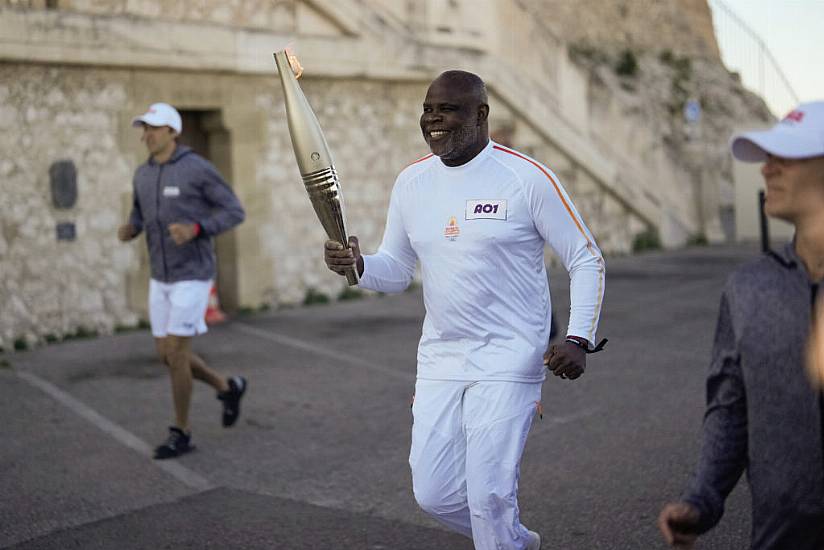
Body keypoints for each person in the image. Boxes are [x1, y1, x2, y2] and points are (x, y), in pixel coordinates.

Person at [324, 71, 606, 550]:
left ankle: (502, 538)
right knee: (433, 494)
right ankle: (516, 543)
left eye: (448, 109)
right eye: (428, 108)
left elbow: (585, 258)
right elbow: (395, 270)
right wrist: (359, 265)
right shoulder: (412, 182)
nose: (433, 118)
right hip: (441, 359)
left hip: (510, 358)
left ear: (481, 115)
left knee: (489, 495)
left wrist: (578, 339)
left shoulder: (526, 178)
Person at [658, 101, 824, 549]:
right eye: (767, 158)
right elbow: (731, 409)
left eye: (785, 157)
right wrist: (702, 499)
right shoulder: (749, 286)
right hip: (780, 537)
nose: (767, 170)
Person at [118, 102, 248, 460]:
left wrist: (196, 228)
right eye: (144, 128)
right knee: (167, 355)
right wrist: (132, 228)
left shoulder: (197, 169)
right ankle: (227, 387)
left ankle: (182, 431)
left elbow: (234, 211)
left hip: (193, 274)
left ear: (173, 132)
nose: (146, 134)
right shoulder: (142, 175)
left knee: (176, 354)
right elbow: (139, 215)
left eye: (153, 128)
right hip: (161, 277)